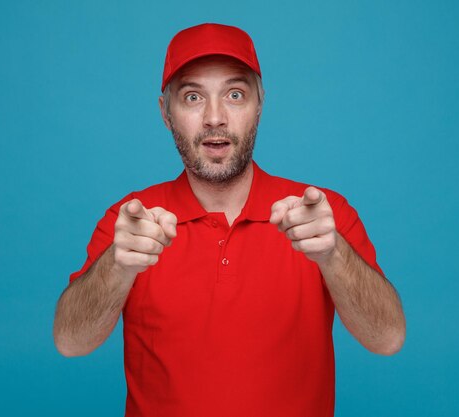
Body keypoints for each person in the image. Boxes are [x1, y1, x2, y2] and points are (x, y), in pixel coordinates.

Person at [54, 23, 405, 417]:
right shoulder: (131, 222)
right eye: (192, 97)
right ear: (166, 113)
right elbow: (71, 342)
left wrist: (334, 254)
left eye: (235, 95)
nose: (215, 117)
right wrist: (117, 265)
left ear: (259, 104)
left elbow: (387, 338)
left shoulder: (322, 214)